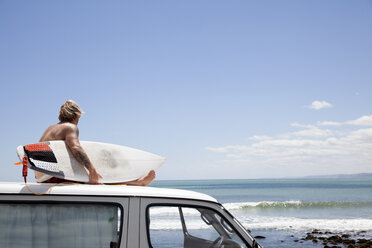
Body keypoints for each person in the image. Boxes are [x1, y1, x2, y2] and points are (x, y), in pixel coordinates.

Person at [36, 100, 155, 186]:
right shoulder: (70, 127)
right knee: (100, 180)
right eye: (79, 118)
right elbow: (76, 148)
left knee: (96, 178)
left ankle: (135, 182)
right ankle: (137, 182)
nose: (78, 121)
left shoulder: (51, 128)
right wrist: (92, 170)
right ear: (75, 115)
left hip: (42, 177)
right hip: (53, 177)